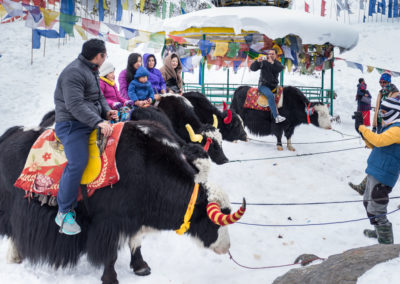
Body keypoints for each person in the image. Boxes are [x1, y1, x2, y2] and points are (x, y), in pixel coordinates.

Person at [54, 39, 118, 235]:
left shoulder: (92, 70)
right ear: (99, 55)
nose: (105, 57)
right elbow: (75, 105)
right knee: (78, 162)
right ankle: (63, 212)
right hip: (72, 125)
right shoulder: (73, 72)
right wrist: (97, 122)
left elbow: (99, 98)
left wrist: (107, 113)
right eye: (105, 54)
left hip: (90, 121)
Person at [354, 97, 400, 244]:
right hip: (375, 170)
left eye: (385, 111)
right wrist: (362, 133)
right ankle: (380, 232)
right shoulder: (391, 126)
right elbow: (377, 144)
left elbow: (379, 140)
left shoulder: (398, 129)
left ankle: (386, 244)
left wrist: (362, 128)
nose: (381, 114)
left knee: (377, 209)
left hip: (384, 175)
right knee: (368, 203)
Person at [349, 74, 399, 194]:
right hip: (383, 124)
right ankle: (364, 186)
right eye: (381, 82)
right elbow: (377, 110)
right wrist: (374, 127)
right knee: (380, 155)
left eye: (384, 82)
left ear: (389, 82)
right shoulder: (380, 93)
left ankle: (364, 187)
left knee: (389, 158)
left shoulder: (396, 94)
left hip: (393, 125)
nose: (382, 84)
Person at [250, 48, 285, 123]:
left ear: (276, 55)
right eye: (269, 54)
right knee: (270, 95)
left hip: (274, 86)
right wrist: (257, 61)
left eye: (272, 54)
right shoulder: (263, 62)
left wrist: (272, 62)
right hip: (263, 85)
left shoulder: (277, 63)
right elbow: (252, 68)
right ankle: (276, 117)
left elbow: (280, 68)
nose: (270, 55)